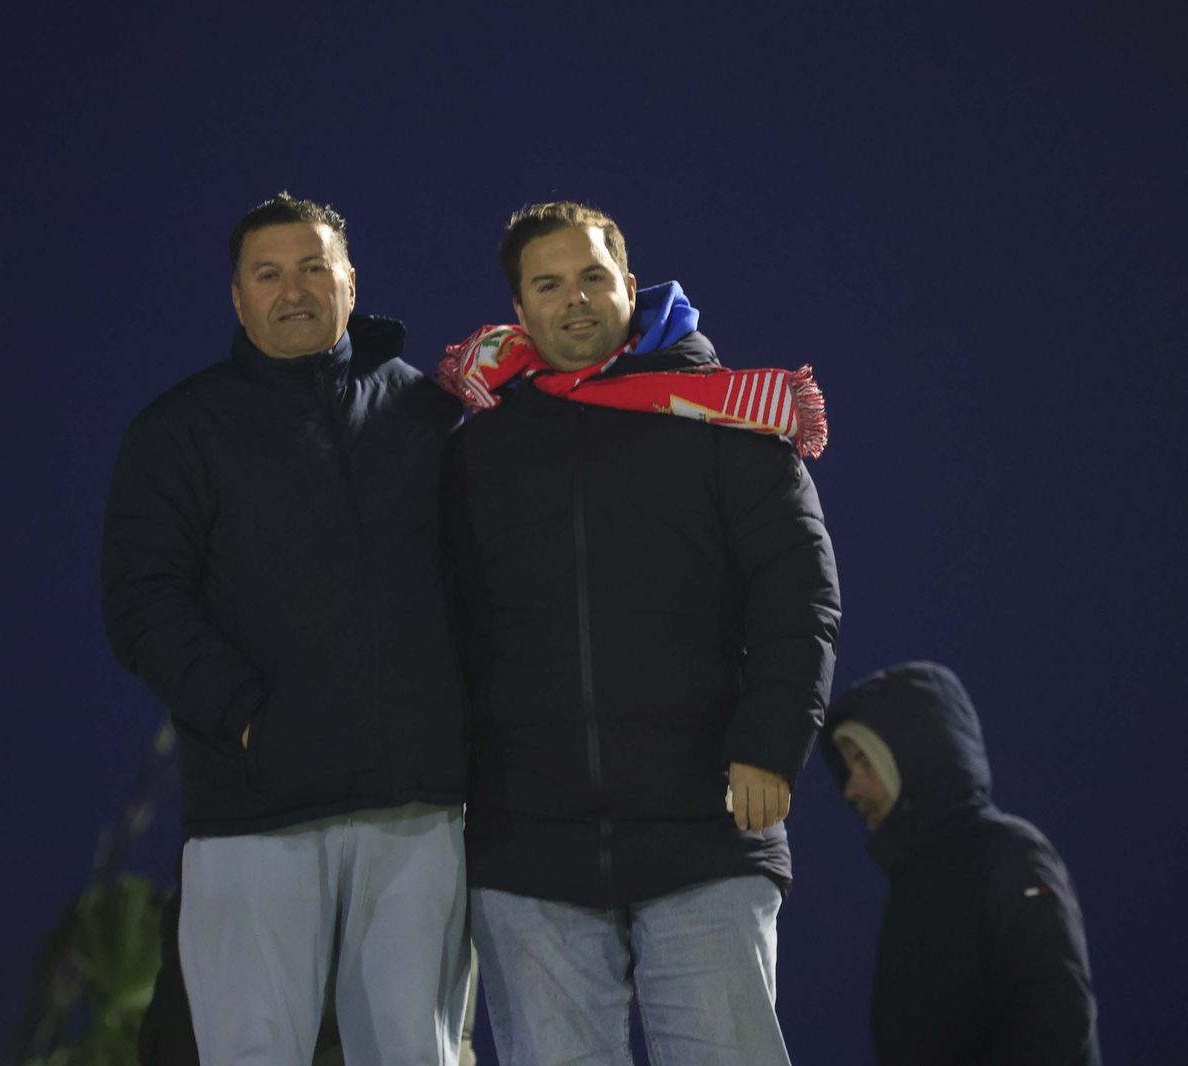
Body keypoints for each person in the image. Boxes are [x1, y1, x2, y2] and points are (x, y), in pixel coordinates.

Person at [439, 201, 840, 1065]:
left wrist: (771, 743)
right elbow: (450, 628)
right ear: (522, 309)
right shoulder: (480, 448)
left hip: (704, 828)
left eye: (592, 277)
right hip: (527, 843)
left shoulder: (724, 420)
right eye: (549, 284)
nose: (575, 299)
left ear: (629, 284)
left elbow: (797, 594)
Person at [102, 192, 470, 1064]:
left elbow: (487, 587)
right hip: (253, 814)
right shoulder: (179, 432)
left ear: (351, 282)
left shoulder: (430, 415)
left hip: (416, 810)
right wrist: (248, 717)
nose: (293, 289)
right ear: (237, 297)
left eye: (314, 267)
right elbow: (141, 602)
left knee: (416, 1052)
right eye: (268, 273)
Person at [822, 660, 1100, 1065]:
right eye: (848, 768)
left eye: (865, 763)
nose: (851, 789)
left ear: (916, 756)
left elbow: (1058, 1016)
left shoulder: (1009, 852)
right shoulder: (910, 887)